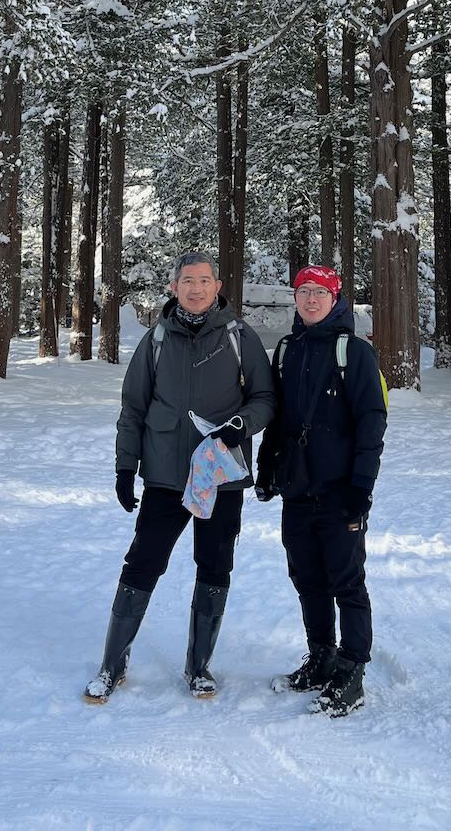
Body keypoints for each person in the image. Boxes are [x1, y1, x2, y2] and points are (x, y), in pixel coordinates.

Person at [84, 252, 276, 705]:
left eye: (204, 281)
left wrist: (240, 425)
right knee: (142, 564)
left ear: (218, 285)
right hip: (166, 479)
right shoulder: (155, 339)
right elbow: (133, 408)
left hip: (219, 477)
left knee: (214, 567)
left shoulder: (239, 337)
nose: (195, 288)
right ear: (174, 287)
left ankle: (199, 667)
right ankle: (113, 665)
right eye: (187, 280)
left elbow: (266, 398)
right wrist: (125, 466)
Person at [256, 265, 387, 718]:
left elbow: (373, 424)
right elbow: (280, 417)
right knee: (306, 579)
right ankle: (322, 656)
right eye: (303, 292)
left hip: (339, 493)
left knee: (347, 583)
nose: (310, 300)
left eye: (320, 292)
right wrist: (266, 466)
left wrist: (361, 490)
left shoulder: (355, 353)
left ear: (336, 298)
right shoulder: (287, 350)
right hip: (297, 491)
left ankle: (352, 672)